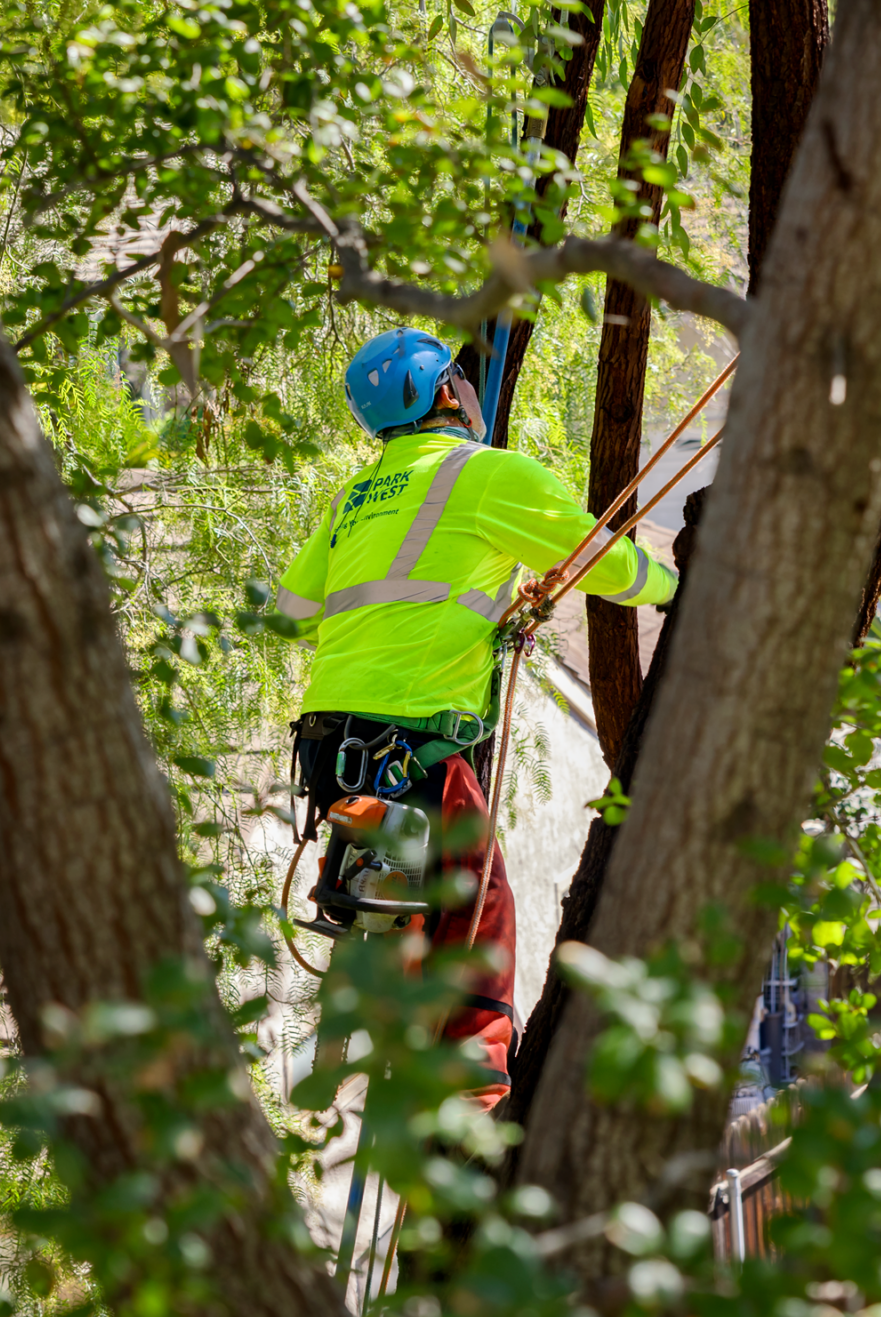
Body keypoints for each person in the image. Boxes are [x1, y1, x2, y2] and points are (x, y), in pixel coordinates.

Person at [276, 327, 679, 1104]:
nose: (467, 387)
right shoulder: (486, 474)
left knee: (378, 882)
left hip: (334, 746)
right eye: (457, 376)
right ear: (439, 392)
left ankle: (344, 1023)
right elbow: (601, 557)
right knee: (481, 899)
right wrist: (674, 587)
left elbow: (291, 611)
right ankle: (474, 1088)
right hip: (418, 739)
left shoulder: (355, 496)